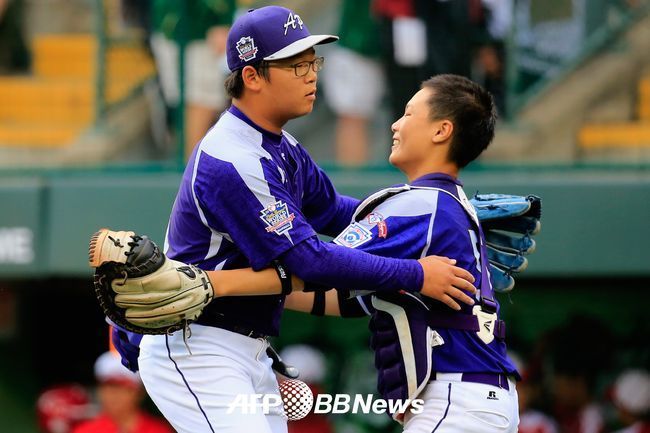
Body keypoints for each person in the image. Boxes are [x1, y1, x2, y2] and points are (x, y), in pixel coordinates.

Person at [135, 6, 476, 433]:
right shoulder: (233, 157)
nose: (311, 75)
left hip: (244, 346)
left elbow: (337, 212)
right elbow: (310, 261)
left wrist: (437, 222)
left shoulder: (280, 145)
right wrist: (416, 272)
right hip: (197, 344)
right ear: (252, 76)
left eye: (313, 62)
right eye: (296, 65)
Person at [284, 74, 522, 432]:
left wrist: (219, 282)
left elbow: (318, 266)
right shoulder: (445, 203)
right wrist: (269, 297)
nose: (396, 124)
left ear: (441, 130)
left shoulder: (421, 203)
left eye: (409, 114)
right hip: (478, 397)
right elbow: (345, 298)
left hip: (456, 399)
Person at [150, 0, 236, 159]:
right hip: (174, 28)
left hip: (200, 29)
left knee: (201, 101)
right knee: (188, 101)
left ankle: (191, 164)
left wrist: (221, 18)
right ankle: (190, 164)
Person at [72, 351, 172, 433]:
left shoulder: (159, 430)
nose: (113, 395)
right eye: (108, 387)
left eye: (122, 388)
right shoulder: (85, 430)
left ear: (139, 392)